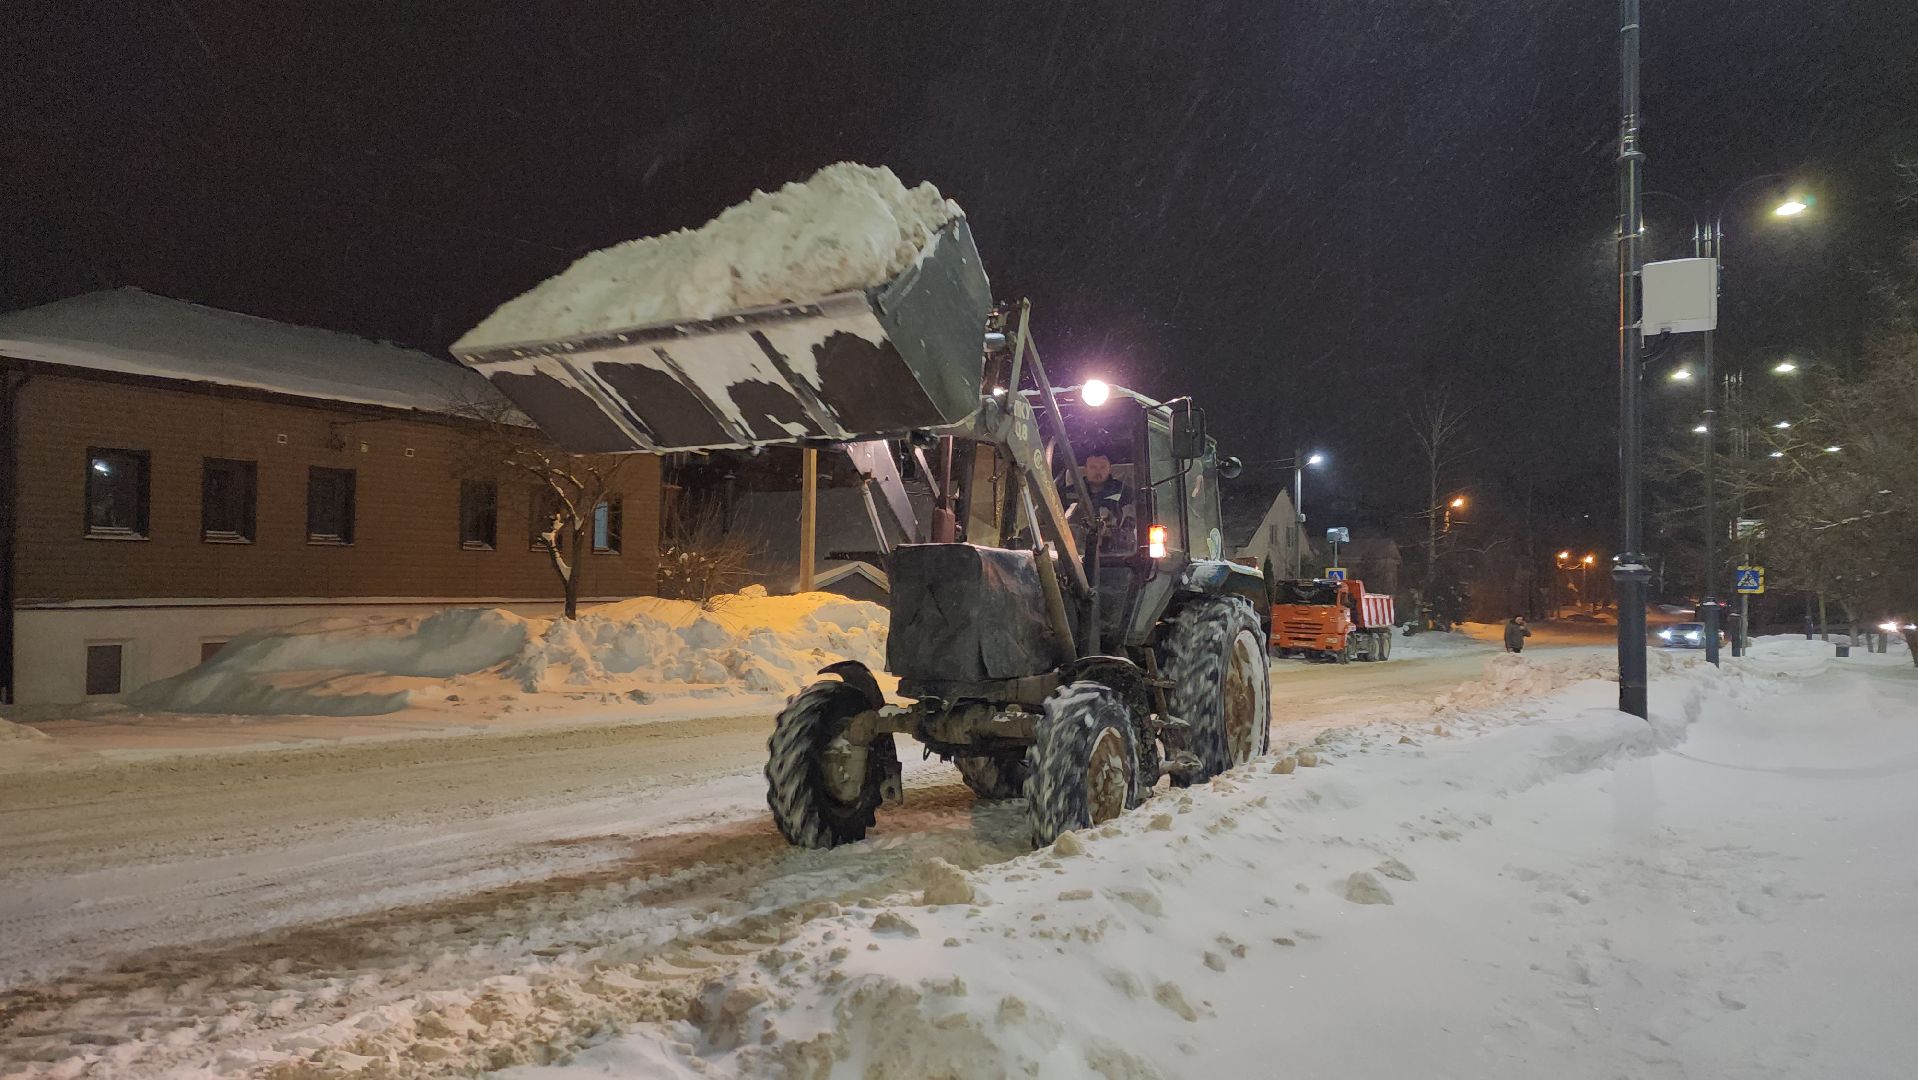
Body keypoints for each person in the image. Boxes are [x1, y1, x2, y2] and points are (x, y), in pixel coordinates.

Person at [1062, 452, 1136, 554]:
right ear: (1085, 469)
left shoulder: (1125, 492)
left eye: (1102, 467)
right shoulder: (1068, 493)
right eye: (1093, 467)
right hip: (1074, 552)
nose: (1098, 472)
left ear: (1110, 469)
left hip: (1114, 554)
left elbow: (1132, 523)